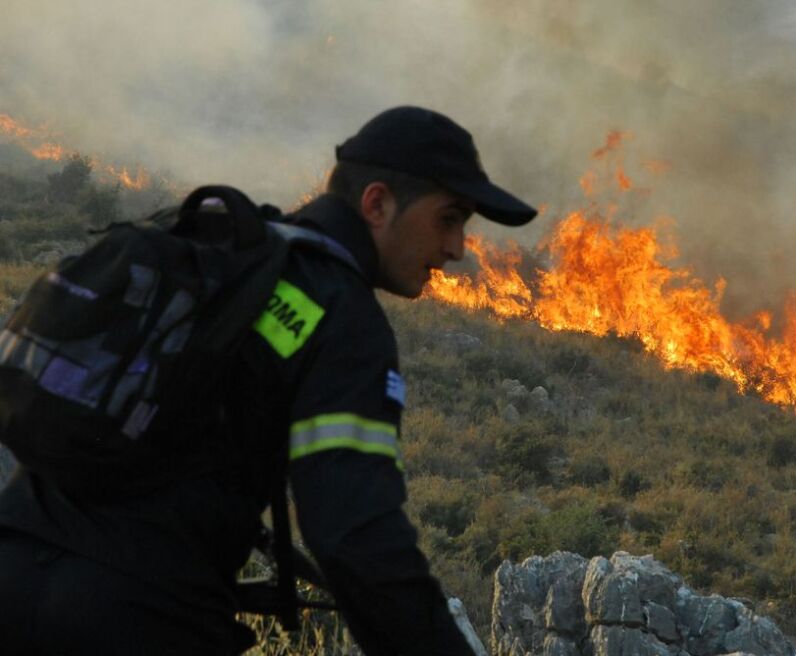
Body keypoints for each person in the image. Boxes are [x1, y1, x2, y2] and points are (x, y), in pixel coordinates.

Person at [0, 106, 538, 654]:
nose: (457, 248)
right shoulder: (338, 313)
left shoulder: (224, 259)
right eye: (449, 218)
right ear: (377, 203)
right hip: (140, 617)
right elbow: (356, 537)